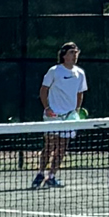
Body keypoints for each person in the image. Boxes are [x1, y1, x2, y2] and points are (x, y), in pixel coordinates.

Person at [36, 42, 89, 188]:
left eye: (76, 53)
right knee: (49, 146)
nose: (74, 55)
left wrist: (76, 110)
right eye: (72, 52)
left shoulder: (80, 73)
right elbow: (43, 90)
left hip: (69, 117)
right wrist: (47, 108)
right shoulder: (54, 71)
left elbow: (80, 93)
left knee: (62, 148)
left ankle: (51, 176)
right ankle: (40, 174)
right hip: (53, 116)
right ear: (64, 55)